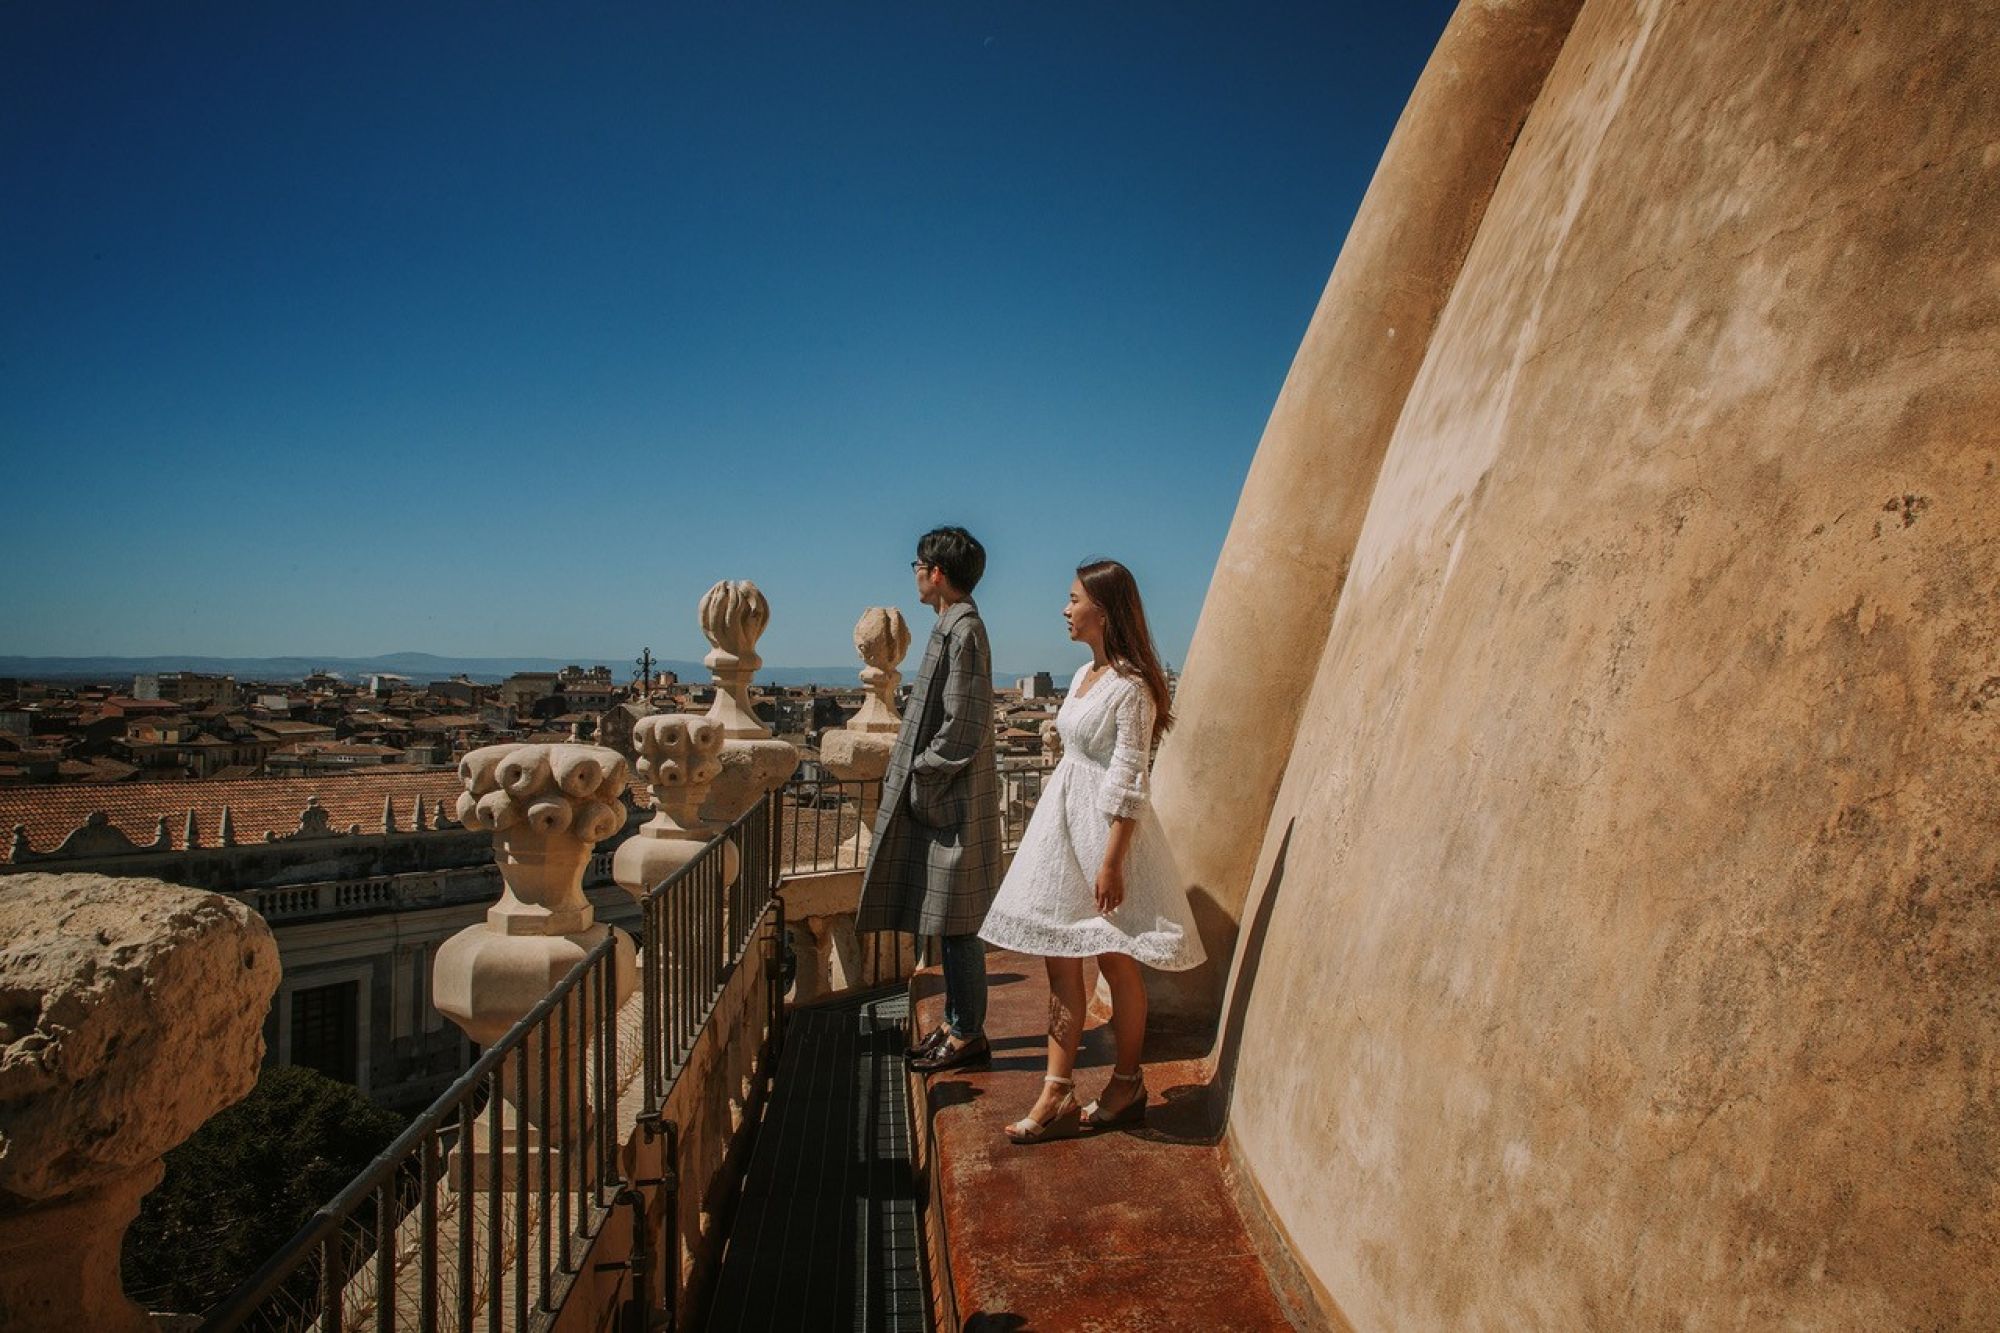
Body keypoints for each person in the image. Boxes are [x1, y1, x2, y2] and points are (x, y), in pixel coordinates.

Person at [977, 558, 1206, 1142]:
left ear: (1102, 610)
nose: (1064, 608)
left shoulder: (1131, 689)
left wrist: (1111, 859)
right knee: (1060, 961)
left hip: (1105, 835)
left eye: (1074, 598)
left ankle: (1127, 1083)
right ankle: (1057, 1087)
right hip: (1063, 829)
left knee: (1115, 959)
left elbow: (1130, 776)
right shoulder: (1084, 677)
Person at [856, 526, 1004, 1073]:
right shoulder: (954, 626)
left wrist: (922, 773)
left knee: (959, 926)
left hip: (952, 803)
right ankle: (956, 1022)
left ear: (936, 573)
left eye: (917, 564)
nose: (915, 573)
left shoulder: (964, 631)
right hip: (949, 801)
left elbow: (963, 725)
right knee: (947, 921)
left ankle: (968, 1033)